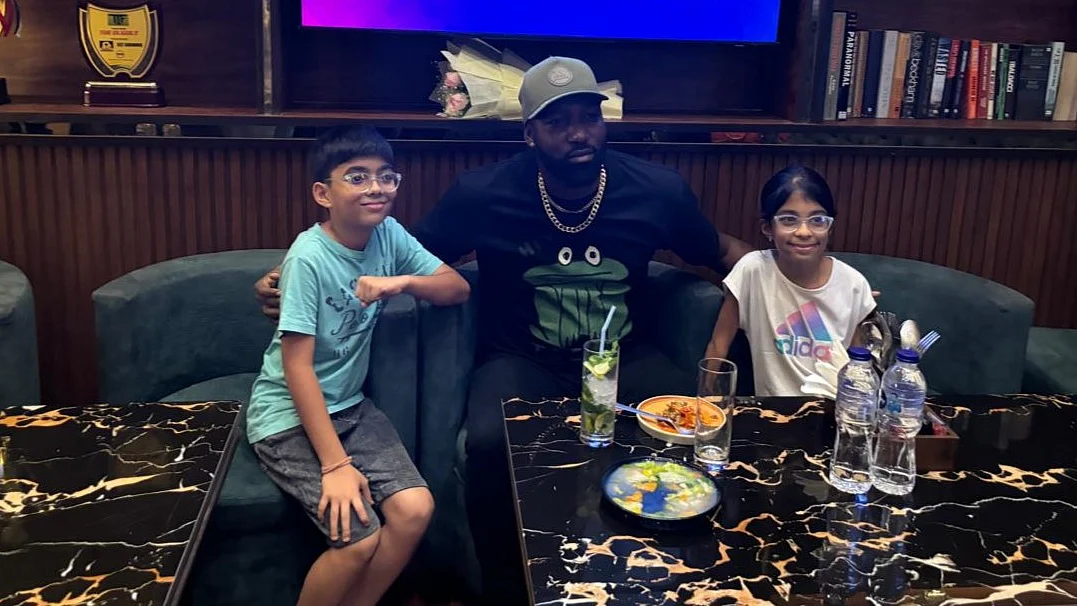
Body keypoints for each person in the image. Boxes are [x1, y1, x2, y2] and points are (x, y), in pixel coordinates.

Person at [256, 57, 751, 603]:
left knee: (694, 429)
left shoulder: (658, 190)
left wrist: (791, 276)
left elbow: (722, 253)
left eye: (589, 116)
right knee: (489, 445)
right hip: (522, 358)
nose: (578, 133)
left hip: (623, 356)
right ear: (530, 133)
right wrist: (288, 279)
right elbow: (398, 258)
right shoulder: (483, 193)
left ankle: (672, 581)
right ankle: (505, 589)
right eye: (558, 122)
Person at [246, 125, 470, 606]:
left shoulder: (388, 234)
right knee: (359, 538)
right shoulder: (307, 258)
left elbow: (456, 288)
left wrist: (400, 283)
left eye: (386, 176)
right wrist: (336, 466)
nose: (376, 188)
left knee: (415, 509)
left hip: (350, 406)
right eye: (357, 177)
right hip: (286, 415)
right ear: (323, 193)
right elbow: (297, 369)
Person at [705, 164, 876, 396]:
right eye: (789, 220)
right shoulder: (752, 271)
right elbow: (718, 346)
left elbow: (859, 370)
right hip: (773, 417)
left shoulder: (854, 285)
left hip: (833, 414)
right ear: (768, 227)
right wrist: (704, 408)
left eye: (817, 220)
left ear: (830, 227)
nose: (804, 231)